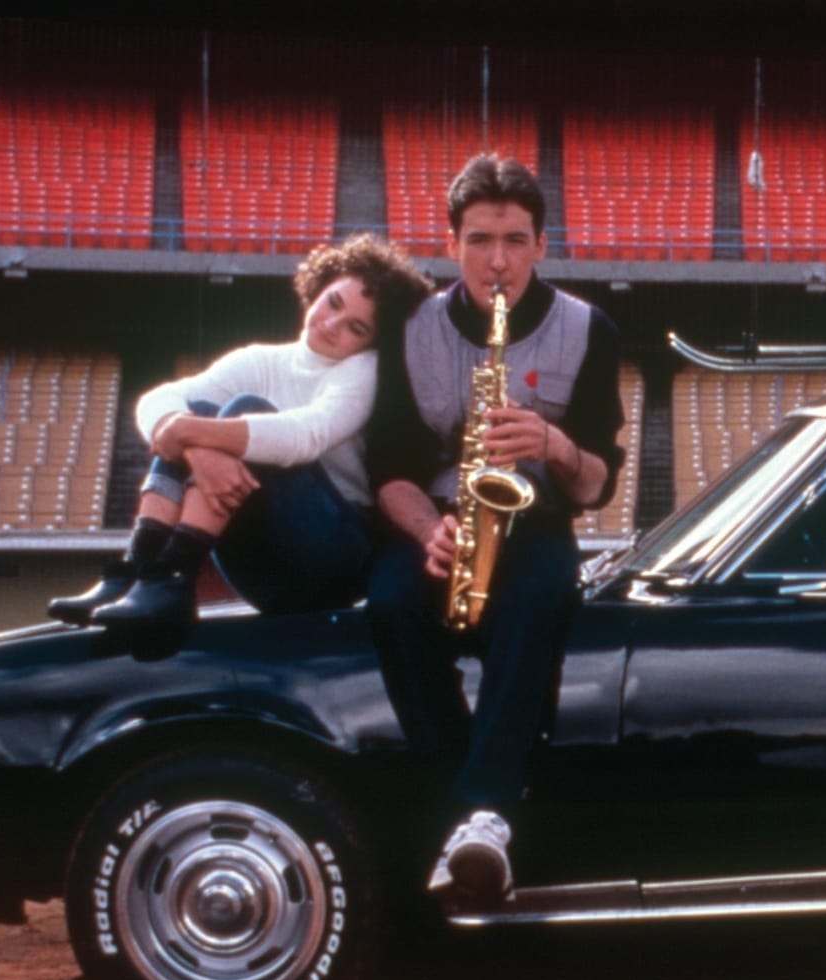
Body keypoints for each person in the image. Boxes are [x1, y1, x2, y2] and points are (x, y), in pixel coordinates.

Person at [363, 154, 623, 908]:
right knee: (391, 605)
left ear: (541, 245)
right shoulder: (410, 329)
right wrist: (429, 533)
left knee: (537, 601)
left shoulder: (590, 328)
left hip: (534, 517)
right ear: (452, 244)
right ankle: (464, 809)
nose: (498, 262)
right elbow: (390, 467)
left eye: (514, 241)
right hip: (437, 514)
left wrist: (555, 445)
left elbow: (597, 483)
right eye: (479, 240)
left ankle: (483, 813)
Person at [49, 233, 432, 628]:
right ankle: (137, 571)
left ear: (372, 342)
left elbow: (305, 436)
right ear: (318, 288)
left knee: (240, 412)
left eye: (356, 328)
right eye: (333, 302)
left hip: (333, 560)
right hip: (261, 568)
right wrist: (192, 443)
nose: (333, 325)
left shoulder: (365, 370)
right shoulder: (260, 359)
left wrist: (190, 433)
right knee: (197, 411)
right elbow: (157, 398)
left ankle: (173, 575)